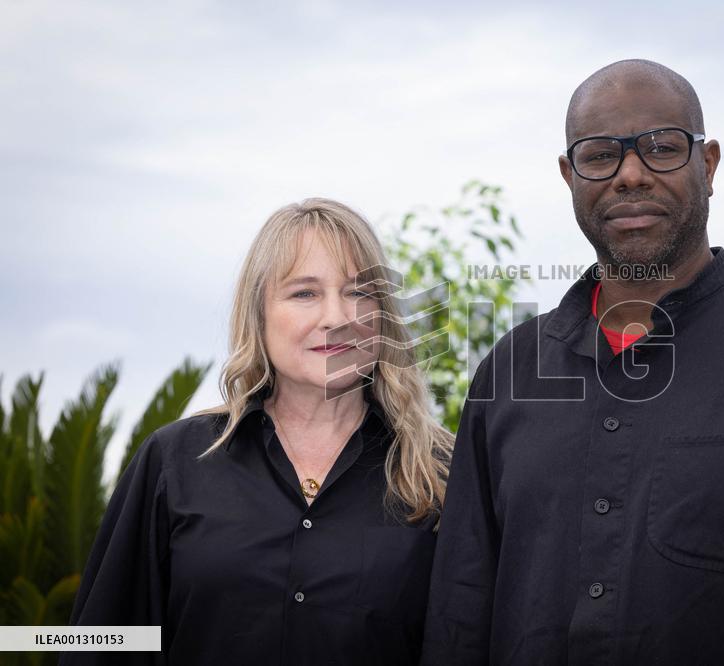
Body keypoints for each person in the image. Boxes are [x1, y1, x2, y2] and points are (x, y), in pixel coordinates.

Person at [422, 60, 724, 664]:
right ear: (568, 175)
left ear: (707, 165)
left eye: (661, 148)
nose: (630, 175)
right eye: (600, 154)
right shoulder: (509, 374)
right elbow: (459, 616)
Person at [64, 199, 453, 665]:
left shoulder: (443, 473)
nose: (337, 316)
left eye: (359, 292)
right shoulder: (175, 463)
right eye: (305, 293)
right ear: (259, 315)